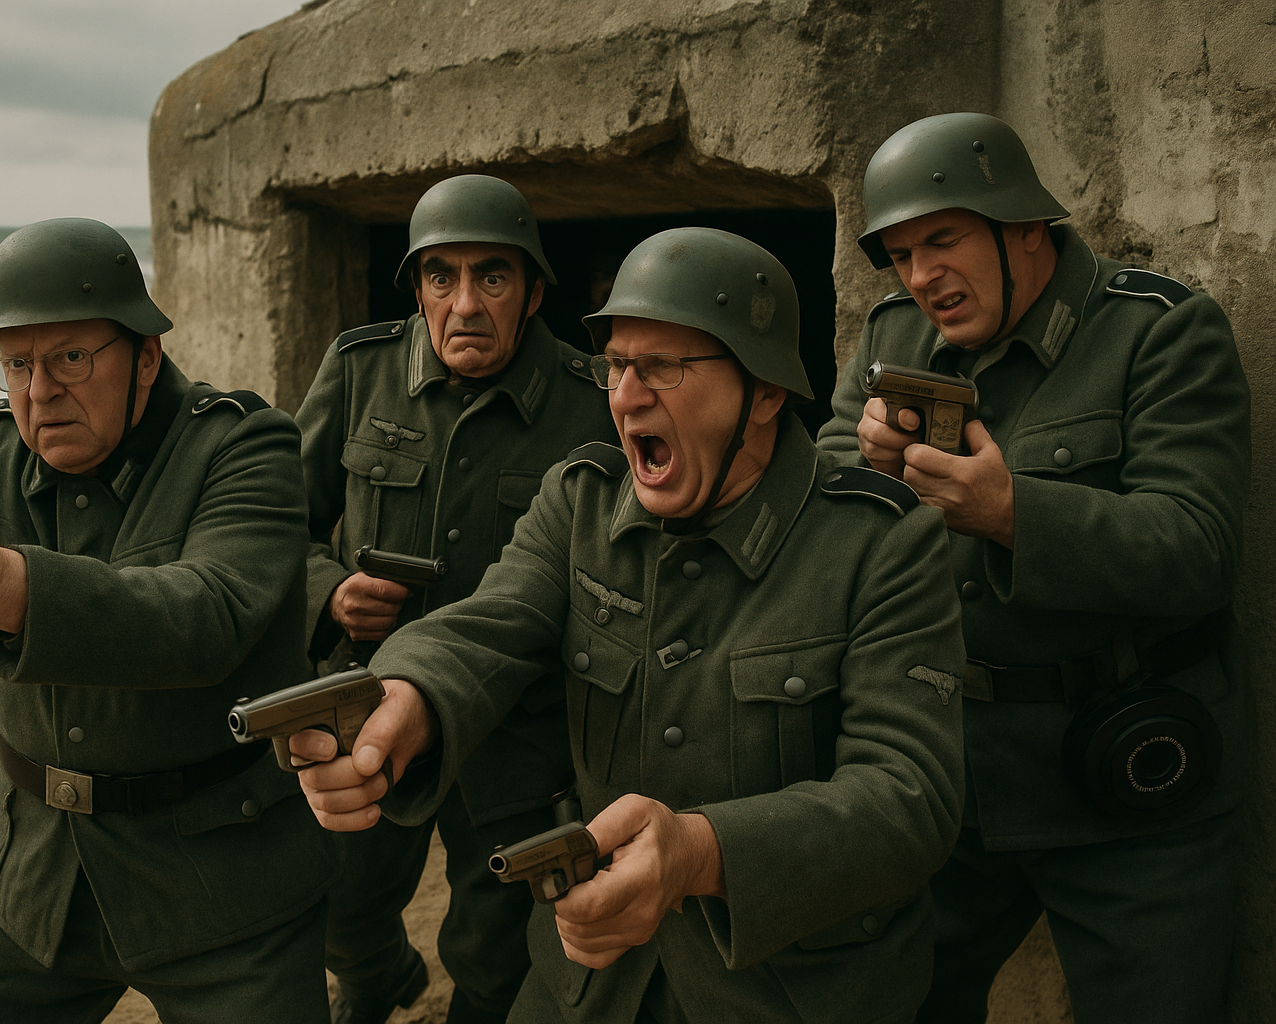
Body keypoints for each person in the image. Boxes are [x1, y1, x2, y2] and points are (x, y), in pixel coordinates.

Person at [296, 227, 968, 1023]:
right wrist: (404, 696)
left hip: (789, 991)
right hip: (589, 981)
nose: (625, 397)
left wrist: (700, 854)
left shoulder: (882, 544)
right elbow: (486, 626)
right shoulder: (579, 501)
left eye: (665, 367)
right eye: (617, 366)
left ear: (764, 394)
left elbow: (908, 798)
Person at [0, 218, 333, 1023]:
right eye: (18, 363)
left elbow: (207, 617)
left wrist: (0, 582)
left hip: (224, 889)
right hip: (33, 875)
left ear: (145, 356)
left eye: (70, 358)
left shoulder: (245, 445)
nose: (38, 393)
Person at [817, 112, 1251, 1023]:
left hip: (1126, 784)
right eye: (900, 255)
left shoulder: (1158, 332)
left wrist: (1011, 514)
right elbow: (818, 515)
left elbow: (1198, 549)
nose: (920, 277)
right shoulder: (893, 338)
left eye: (943, 240)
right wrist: (865, 469)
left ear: (1022, 227)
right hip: (952, 778)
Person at [297, 174, 616, 1024]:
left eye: (492, 276)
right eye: (441, 276)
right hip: (368, 708)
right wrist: (330, 594)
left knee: (496, 954)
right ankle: (377, 981)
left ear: (534, 292)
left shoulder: (593, 403)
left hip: (519, 730)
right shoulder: (360, 371)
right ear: (417, 289)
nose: (465, 304)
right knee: (338, 907)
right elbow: (271, 528)